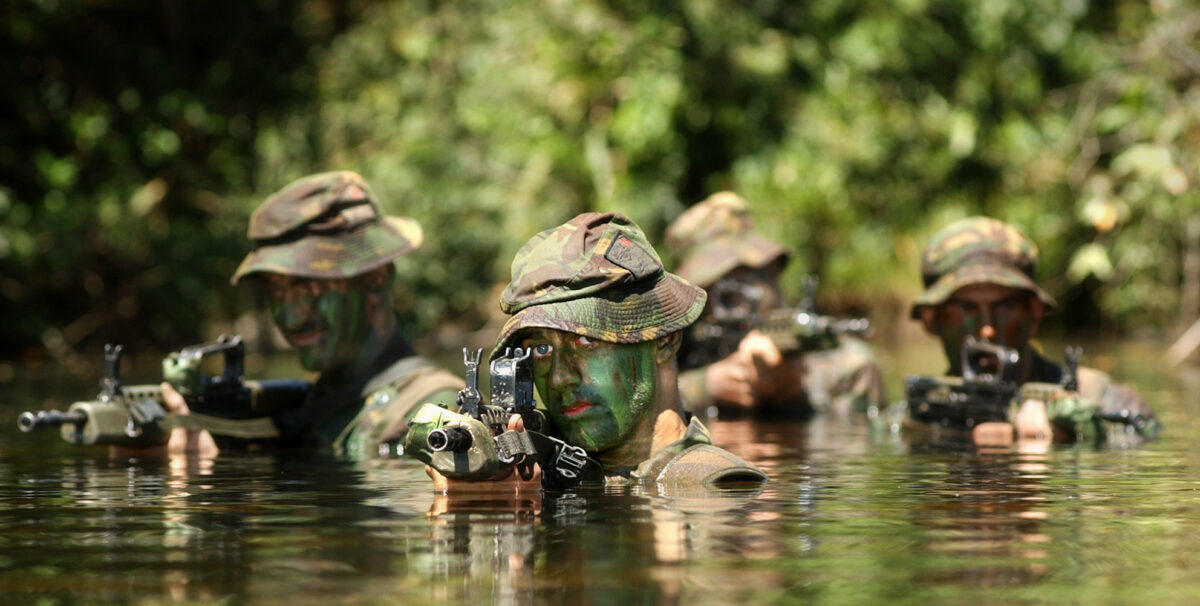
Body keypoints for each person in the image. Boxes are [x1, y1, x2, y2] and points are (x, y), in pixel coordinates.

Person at [420, 212, 767, 489]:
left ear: (664, 339)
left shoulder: (716, 488)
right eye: (540, 349)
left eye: (587, 341)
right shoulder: (544, 476)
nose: (558, 377)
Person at [155, 171, 462, 458]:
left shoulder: (437, 415)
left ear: (376, 277)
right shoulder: (314, 406)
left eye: (310, 288)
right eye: (275, 290)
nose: (290, 317)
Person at [905, 216, 1159, 444]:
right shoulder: (911, 418)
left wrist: (1076, 437)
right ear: (930, 319)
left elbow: (1144, 438)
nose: (987, 330)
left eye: (1005, 307)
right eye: (964, 308)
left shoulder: (1104, 402)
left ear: (1035, 313)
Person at [663, 191, 885, 418]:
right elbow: (636, 410)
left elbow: (854, 442)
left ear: (773, 269)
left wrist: (793, 393)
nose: (733, 300)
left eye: (751, 276)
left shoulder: (850, 368)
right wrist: (706, 387)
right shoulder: (675, 349)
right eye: (709, 290)